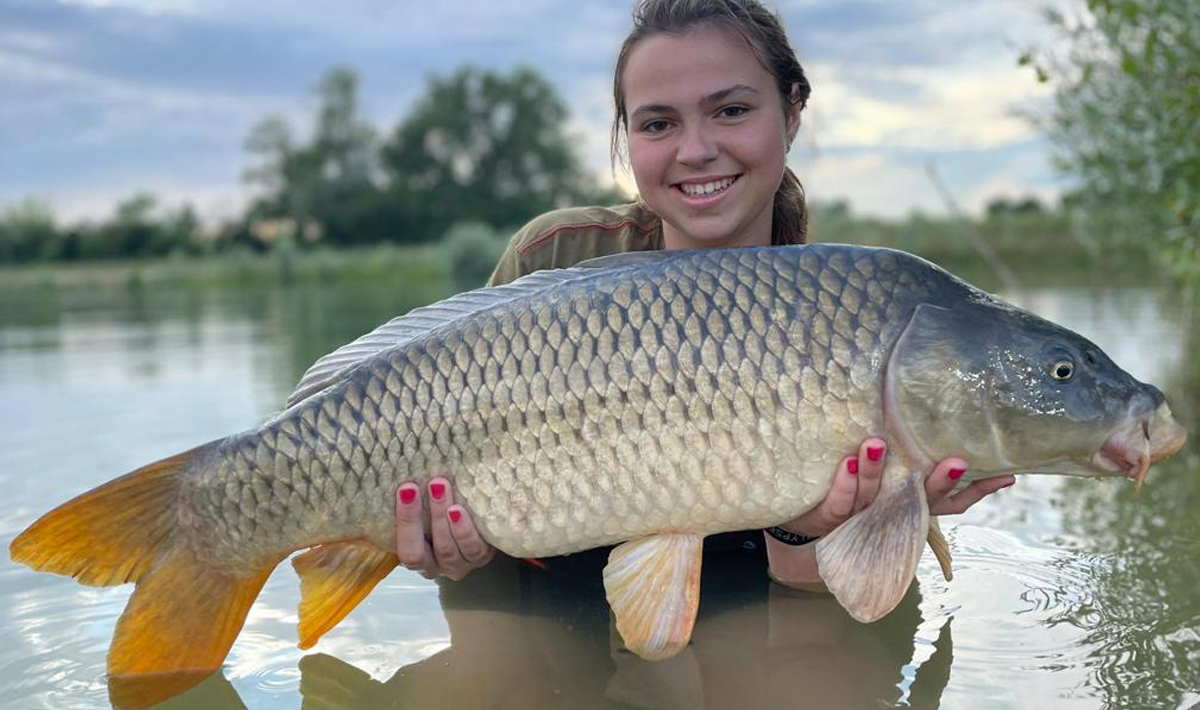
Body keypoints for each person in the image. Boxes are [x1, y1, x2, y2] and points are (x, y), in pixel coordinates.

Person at [392, 0, 1015, 591]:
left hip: (748, 597)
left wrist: (815, 526)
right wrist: (447, 550)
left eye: (732, 111)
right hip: (543, 591)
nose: (696, 150)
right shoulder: (554, 259)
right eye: (659, 124)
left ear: (792, 110)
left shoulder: (855, 320)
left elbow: (814, 611)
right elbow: (463, 546)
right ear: (627, 137)